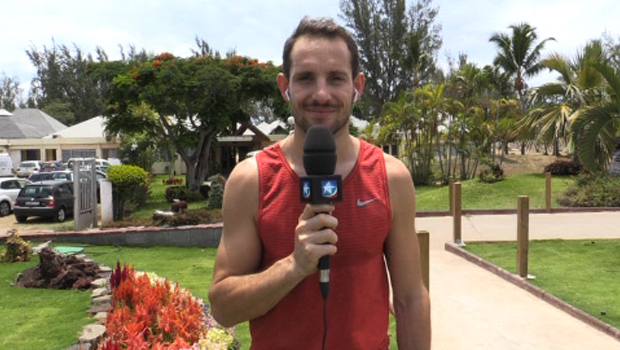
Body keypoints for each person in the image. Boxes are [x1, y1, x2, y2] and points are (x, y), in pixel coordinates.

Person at [208, 17, 431, 350]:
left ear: (358, 86)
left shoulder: (391, 177)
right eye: (306, 78)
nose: (321, 93)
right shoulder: (250, 180)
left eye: (336, 78)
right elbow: (224, 308)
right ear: (286, 86)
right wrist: (294, 266)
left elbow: (411, 298)